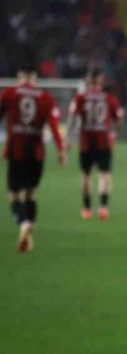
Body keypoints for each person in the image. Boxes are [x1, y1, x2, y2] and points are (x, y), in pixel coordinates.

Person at [0, 62, 66, 252]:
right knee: (30, 194)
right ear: (35, 78)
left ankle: (23, 223)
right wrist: (61, 151)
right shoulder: (45, 97)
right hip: (36, 154)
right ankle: (29, 236)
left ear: (20, 77)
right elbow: (54, 126)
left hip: (16, 151)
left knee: (14, 195)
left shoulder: (10, 93)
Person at [67, 69, 124, 220]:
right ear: (101, 82)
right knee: (105, 175)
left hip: (86, 142)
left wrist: (67, 137)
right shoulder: (109, 98)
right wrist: (115, 134)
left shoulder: (80, 98)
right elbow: (119, 119)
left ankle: (86, 209)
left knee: (86, 176)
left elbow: (72, 118)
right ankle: (103, 208)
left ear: (87, 81)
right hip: (103, 142)